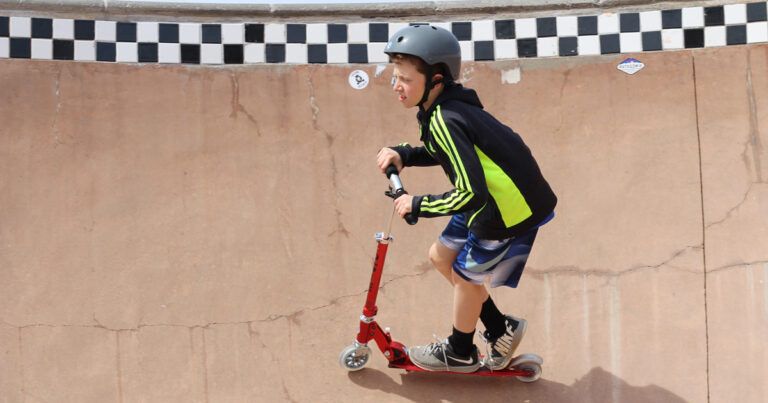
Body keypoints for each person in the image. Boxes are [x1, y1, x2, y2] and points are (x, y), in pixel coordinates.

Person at [375, 25, 557, 373]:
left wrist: (419, 204)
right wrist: (407, 155)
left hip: (505, 210)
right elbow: (450, 153)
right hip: (489, 200)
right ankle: (501, 327)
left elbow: (471, 192)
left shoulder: (446, 116)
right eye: (395, 77)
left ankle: (459, 350)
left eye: (405, 79)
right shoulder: (440, 107)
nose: (397, 86)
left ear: (436, 79)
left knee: (465, 276)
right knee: (440, 257)